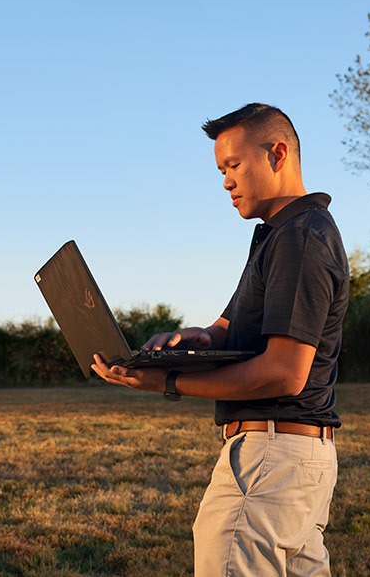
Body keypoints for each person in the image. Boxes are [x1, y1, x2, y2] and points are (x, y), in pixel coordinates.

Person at [92, 103, 349, 577]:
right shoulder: (279, 236)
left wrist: (168, 382)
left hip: (270, 459)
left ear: (278, 153)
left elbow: (284, 373)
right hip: (296, 462)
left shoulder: (301, 238)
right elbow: (226, 328)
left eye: (233, 166)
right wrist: (191, 339)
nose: (226, 181)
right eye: (220, 170)